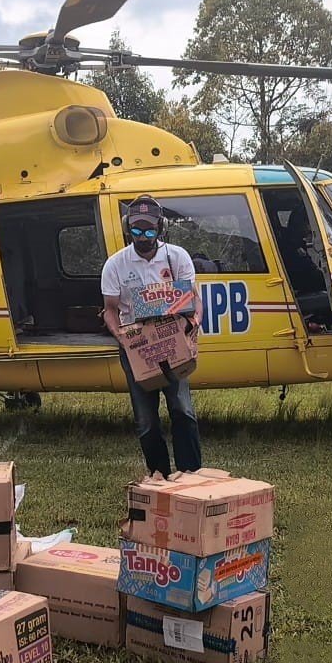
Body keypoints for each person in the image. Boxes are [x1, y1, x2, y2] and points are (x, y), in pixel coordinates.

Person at [101, 195, 203, 477]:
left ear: (161, 228)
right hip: (137, 348)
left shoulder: (177, 257)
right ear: (127, 228)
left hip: (173, 343)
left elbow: (194, 298)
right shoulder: (115, 265)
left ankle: (191, 476)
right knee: (146, 419)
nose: (142, 237)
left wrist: (194, 322)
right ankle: (159, 476)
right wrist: (122, 338)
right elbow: (110, 310)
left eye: (149, 231)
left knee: (182, 409)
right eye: (136, 230)